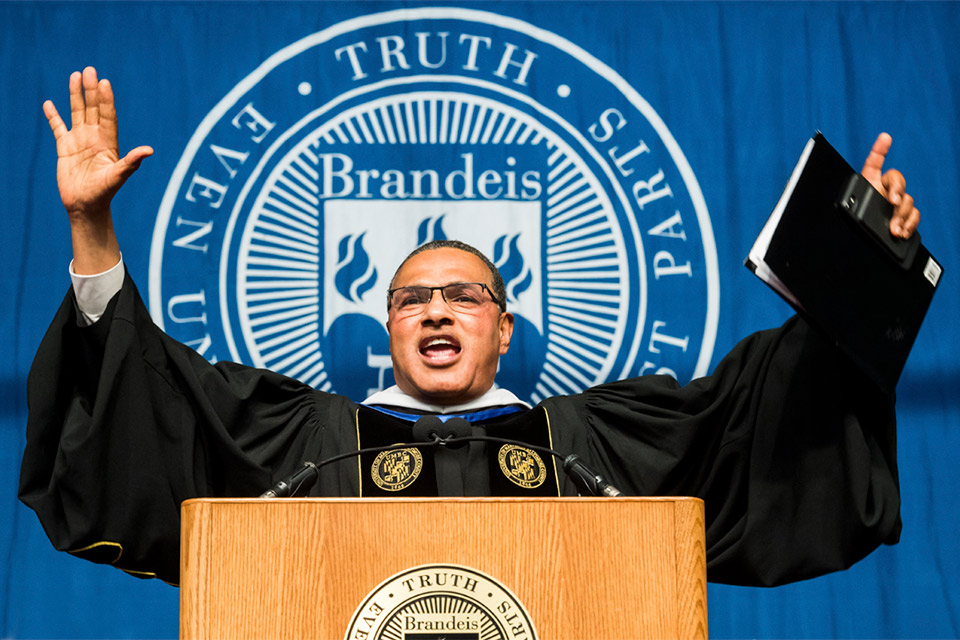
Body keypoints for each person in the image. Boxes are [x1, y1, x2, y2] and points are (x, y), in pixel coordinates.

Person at [20, 67, 920, 588]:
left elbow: (759, 426)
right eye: (414, 299)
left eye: (465, 296)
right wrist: (91, 232)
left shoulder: (595, 447)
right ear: (387, 328)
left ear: (504, 328)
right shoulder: (299, 444)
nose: (438, 310)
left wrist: (854, 270)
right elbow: (146, 413)